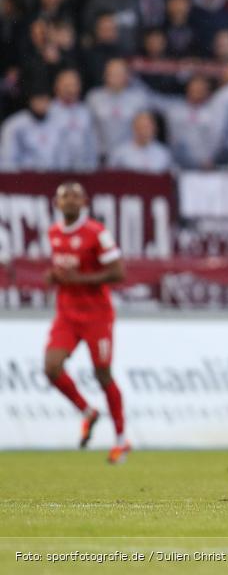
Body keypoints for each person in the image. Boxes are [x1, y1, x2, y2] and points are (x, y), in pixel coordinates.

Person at [44, 182, 130, 464]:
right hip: (67, 314)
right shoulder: (54, 232)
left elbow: (118, 273)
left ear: (84, 203)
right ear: (56, 204)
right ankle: (88, 411)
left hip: (97, 315)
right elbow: (65, 269)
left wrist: (79, 280)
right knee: (51, 367)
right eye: (64, 196)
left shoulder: (97, 233)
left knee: (102, 374)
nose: (70, 200)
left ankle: (121, 439)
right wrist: (55, 276)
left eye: (75, 196)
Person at [86, 58, 149, 161]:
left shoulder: (138, 99)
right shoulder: (93, 98)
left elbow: (144, 128)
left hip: (130, 157)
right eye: (112, 73)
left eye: (119, 73)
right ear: (105, 75)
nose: (115, 77)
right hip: (101, 155)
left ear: (127, 76)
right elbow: (88, 129)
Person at [154, 75, 218, 169]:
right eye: (194, 88)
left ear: (207, 92)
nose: (197, 91)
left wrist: (210, 158)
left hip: (202, 164)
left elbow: (217, 140)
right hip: (174, 163)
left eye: (201, 89)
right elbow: (152, 100)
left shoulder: (213, 114)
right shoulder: (175, 109)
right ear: (188, 89)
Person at [0, 86, 63, 171]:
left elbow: (63, 156)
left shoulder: (57, 122)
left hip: (53, 176)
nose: (42, 104)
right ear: (31, 101)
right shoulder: (14, 125)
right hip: (24, 177)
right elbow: (7, 158)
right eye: (39, 100)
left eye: (45, 100)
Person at [49, 69, 99, 171]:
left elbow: (92, 143)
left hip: (82, 170)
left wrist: (92, 168)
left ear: (79, 87)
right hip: (54, 170)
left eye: (73, 85)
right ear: (57, 86)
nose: (69, 90)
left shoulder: (86, 112)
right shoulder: (49, 111)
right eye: (66, 85)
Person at [107, 111, 172, 172]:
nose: (144, 131)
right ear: (134, 127)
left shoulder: (163, 153)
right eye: (141, 127)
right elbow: (110, 175)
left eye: (147, 127)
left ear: (154, 129)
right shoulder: (120, 152)